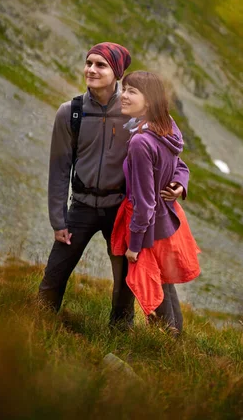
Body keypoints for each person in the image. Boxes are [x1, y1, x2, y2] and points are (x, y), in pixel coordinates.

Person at [39, 43, 188, 328]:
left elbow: (175, 159)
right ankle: (39, 322)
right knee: (55, 271)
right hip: (80, 206)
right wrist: (58, 219)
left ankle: (120, 334)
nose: (91, 70)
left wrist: (180, 184)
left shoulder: (136, 109)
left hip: (120, 209)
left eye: (100, 65)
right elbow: (59, 168)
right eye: (89, 63)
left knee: (125, 280)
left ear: (117, 72)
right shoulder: (70, 112)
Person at [111, 71, 200, 333]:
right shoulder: (166, 127)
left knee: (151, 281)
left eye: (132, 91)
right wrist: (180, 182)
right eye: (124, 89)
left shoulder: (140, 141)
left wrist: (135, 245)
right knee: (163, 280)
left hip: (147, 224)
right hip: (166, 219)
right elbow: (178, 163)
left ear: (148, 101)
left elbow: (144, 201)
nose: (123, 95)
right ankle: (176, 340)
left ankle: (164, 342)